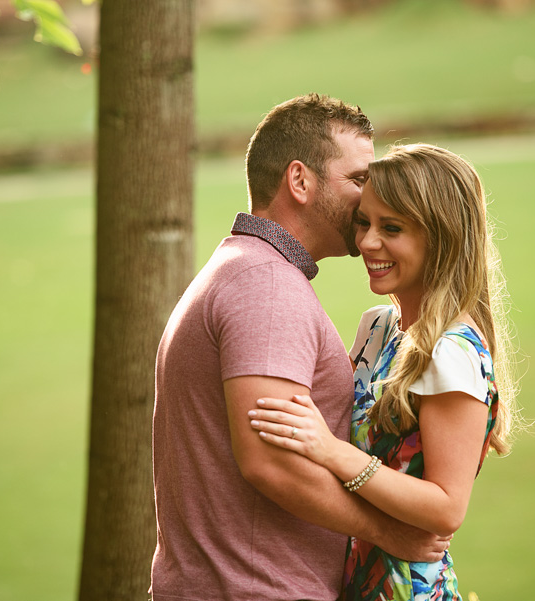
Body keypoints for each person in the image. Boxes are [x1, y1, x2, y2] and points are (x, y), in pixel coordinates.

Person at [151, 96, 449, 601]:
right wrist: (388, 533)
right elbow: (272, 462)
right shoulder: (266, 286)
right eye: (358, 179)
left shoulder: (248, 271)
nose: (371, 197)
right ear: (300, 181)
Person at [247, 143, 518, 601]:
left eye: (391, 228)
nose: (367, 242)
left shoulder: (450, 352)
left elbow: (447, 508)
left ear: (442, 237)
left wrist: (333, 453)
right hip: (353, 582)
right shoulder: (378, 326)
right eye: (363, 222)